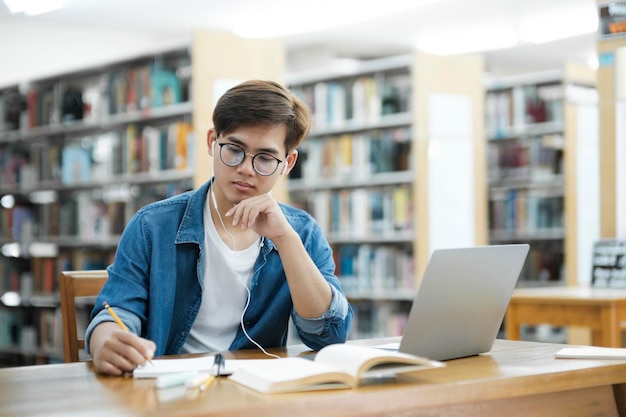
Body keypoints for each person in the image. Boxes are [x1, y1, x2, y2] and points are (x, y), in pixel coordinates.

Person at [86, 80, 353, 375]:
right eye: (234, 150)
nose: (246, 169)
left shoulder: (301, 233)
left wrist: (285, 239)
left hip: (255, 392)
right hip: (169, 390)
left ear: (288, 163)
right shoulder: (152, 226)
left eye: (265, 158)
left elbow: (329, 335)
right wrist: (106, 341)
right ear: (213, 141)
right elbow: (117, 310)